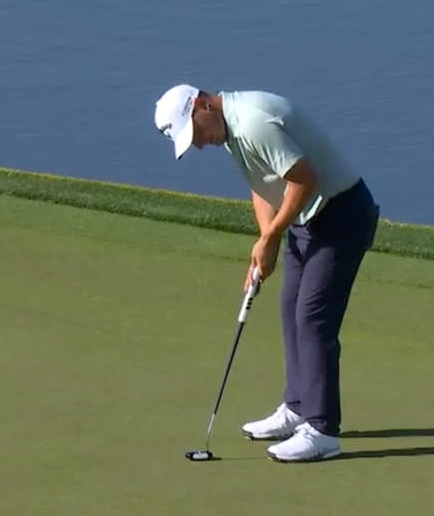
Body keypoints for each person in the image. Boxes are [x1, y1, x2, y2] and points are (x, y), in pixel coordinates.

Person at [152, 84, 380, 463]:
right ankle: (297, 407)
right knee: (291, 309)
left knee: (312, 318)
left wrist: (273, 235)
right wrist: (265, 240)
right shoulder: (231, 132)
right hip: (308, 219)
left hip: (343, 215)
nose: (199, 144)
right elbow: (263, 186)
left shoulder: (253, 122)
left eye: (195, 133)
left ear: (204, 105)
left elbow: (305, 180)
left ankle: (322, 430)